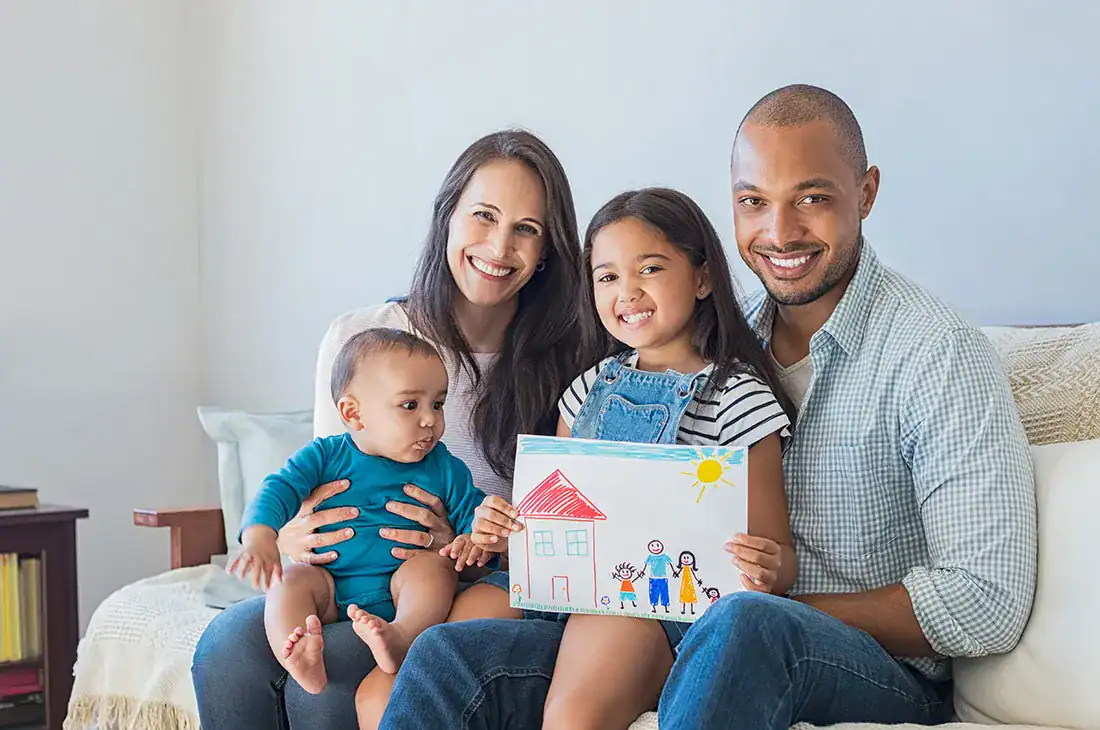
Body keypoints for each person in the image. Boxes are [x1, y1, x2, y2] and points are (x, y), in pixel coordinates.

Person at [656, 85, 1038, 728]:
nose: (779, 233)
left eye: (811, 198)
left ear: (866, 193)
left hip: (882, 672)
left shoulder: (938, 354)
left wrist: (781, 613)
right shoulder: (712, 347)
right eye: (754, 202)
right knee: (463, 654)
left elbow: (987, 600)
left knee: (749, 625)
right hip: (708, 638)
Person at [191, 129, 585, 730]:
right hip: (349, 566)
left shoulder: (572, 357)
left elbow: (563, 518)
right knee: (224, 650)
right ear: (447, 216)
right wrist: (286, 535)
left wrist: (467, 537)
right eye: (483, 216)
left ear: (549, 248)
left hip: (462, 580)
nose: (499, 246)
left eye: (526, 229)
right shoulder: (365, 336)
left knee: (325, 689)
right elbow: (327, 475)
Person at [402, 187, 797, 729]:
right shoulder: (586, 388)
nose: (627, 292)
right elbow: (546, 522)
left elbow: (780, 560)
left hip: (657, 608)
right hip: (561, 590)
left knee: (574, 713)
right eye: (607, 276)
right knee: (443, 646)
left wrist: (767, 566)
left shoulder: (738, 398)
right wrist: (502, 531)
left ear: (703, 278)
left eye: (650, 268)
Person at [230, 329, 492, 695]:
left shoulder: (445, 466)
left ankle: (401, 636)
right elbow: (280, 487)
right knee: (289, 582)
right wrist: (260, 533)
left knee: (433, 568)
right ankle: (299, 651)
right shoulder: (323, 456)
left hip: (404, 588)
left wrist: (473, 538)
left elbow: (471, 517)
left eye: (438, 404)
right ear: (353, 413)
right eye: (410, 405)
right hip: (330, 586)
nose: (430, 420)